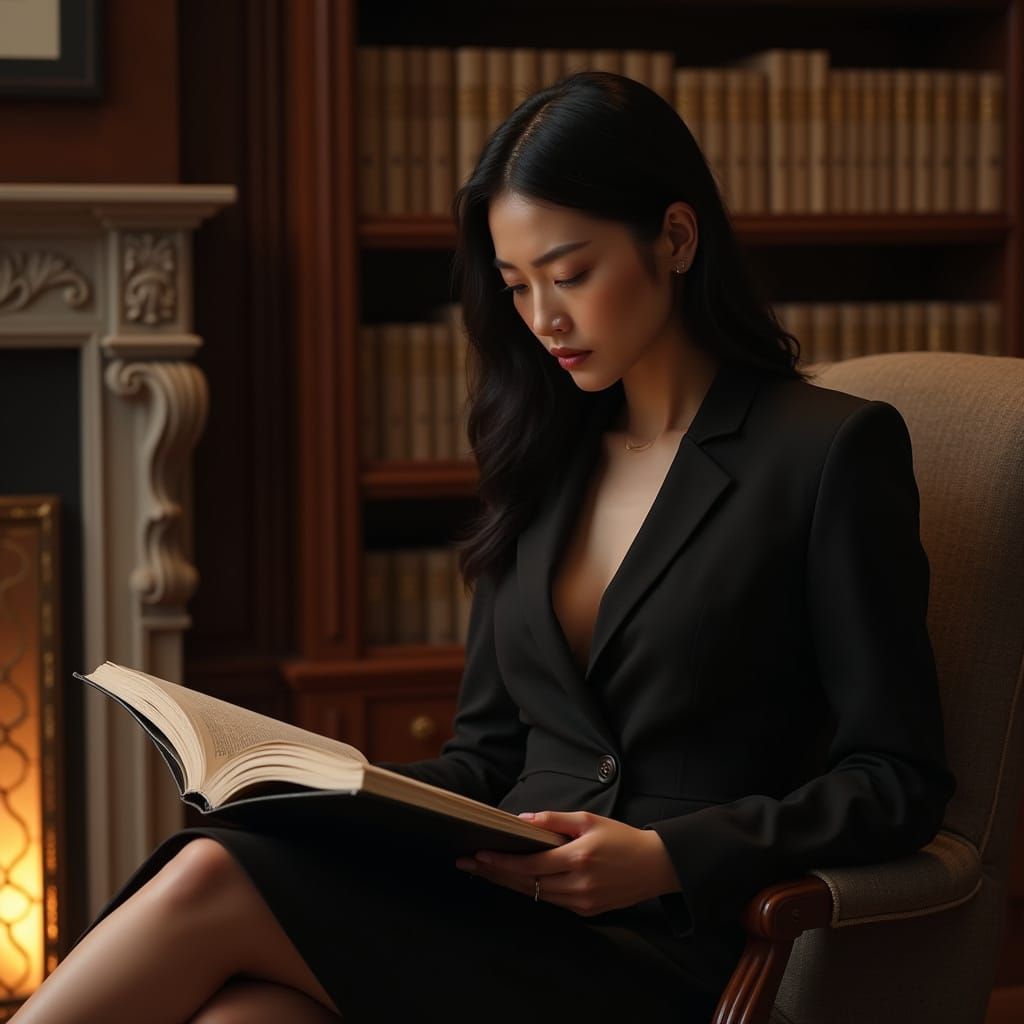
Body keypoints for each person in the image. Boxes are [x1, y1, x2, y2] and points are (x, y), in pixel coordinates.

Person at [12, 70, 955, 1024]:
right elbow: (487, 757)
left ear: (675, 237)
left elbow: (898, 779)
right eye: (516, 287)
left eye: (571, 273)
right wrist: (327, 792)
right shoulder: (542, 458)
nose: (544, 318)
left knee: (212, 881)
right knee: (245, 1016)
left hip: (664, 943)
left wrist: (670, 857)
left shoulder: (828, 451)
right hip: (498, 911)